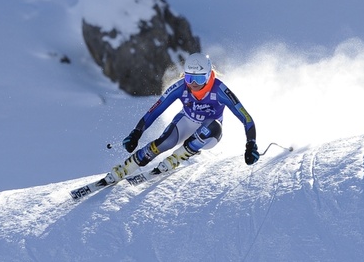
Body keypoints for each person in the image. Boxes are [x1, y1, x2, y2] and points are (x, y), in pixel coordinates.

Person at [109, 53, 259, 182]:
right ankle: (128, 166)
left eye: (199, 79)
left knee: (213, 126)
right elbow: (155, 110)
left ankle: (180, 156)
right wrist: (136, 133)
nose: (193, 84)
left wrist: (251, 144)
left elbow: (245, 117)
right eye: (189, 78)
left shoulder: (220, 90)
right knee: (166, 141)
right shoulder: (181, 87)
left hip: (209, 133)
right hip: (186, 122)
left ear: (208, 76)